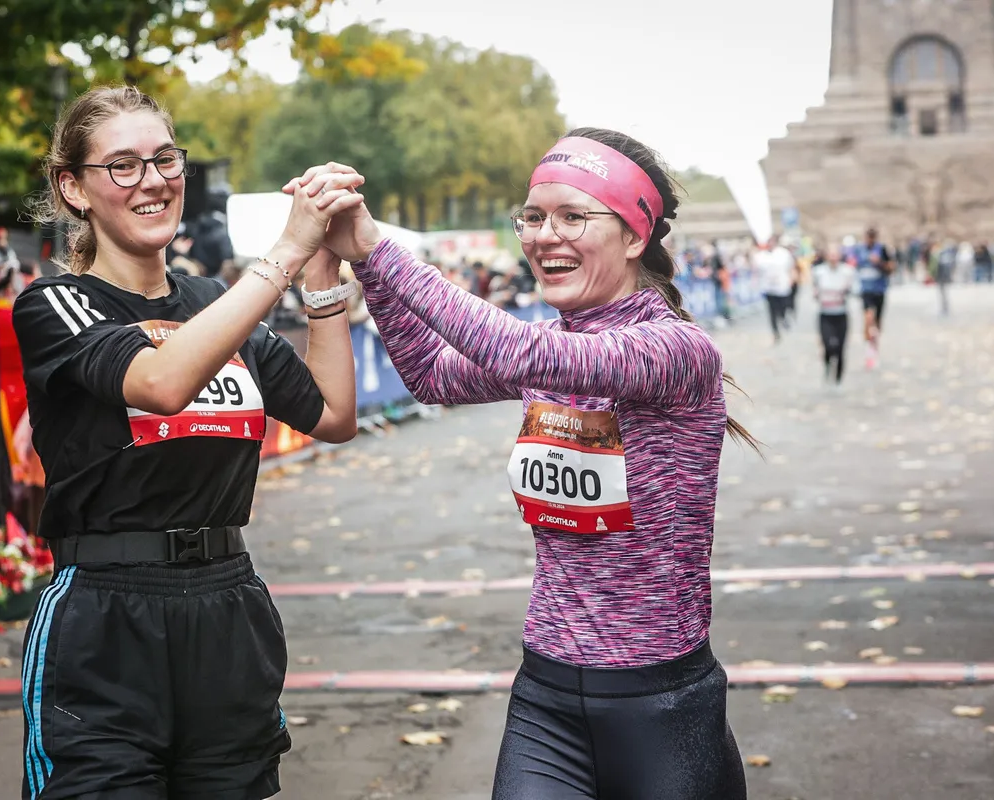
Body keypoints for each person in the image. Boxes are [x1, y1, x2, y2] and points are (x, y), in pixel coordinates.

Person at [289, 128, 753, 799]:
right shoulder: (551, 341)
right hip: (546, 701)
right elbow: (431, 375)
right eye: (533, 217)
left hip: (664, 710)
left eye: (573, 216)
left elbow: (515, 356)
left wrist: (376, 248)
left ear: (634, 237)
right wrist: (363, 265)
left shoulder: (676, 351)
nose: (543, 235)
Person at [12, 85, 361, 800]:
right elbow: (163, 382)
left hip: (228, 608)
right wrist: (287, 251)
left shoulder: (215, 306)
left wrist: (322, 282)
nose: (153, 180)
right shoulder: (55, 304)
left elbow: (331, 415)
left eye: (165, 159)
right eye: (124, 165)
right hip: (104, 618)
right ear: (72, 188)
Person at [811, 245, 855, 385]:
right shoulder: (818, 271)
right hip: (825, 314)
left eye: (835, 254)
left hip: (841, 314)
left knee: (840, 348)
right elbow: (815, 290)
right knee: (828, 345)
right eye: (830, 254)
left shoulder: (848, 271)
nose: (833, 257)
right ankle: (827, 366)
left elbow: (855, 289)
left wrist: (847, 291)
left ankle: (838, 377)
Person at [754, 235, 795, 343]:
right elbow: (757, 270)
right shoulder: (761, 256)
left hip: (782, 287)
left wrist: (791, 278)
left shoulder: (784, 254)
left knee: (782, 307)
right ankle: (775, 332)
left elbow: (791, 267)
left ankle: (783, 318)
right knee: (772, 310)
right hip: (768, 287)